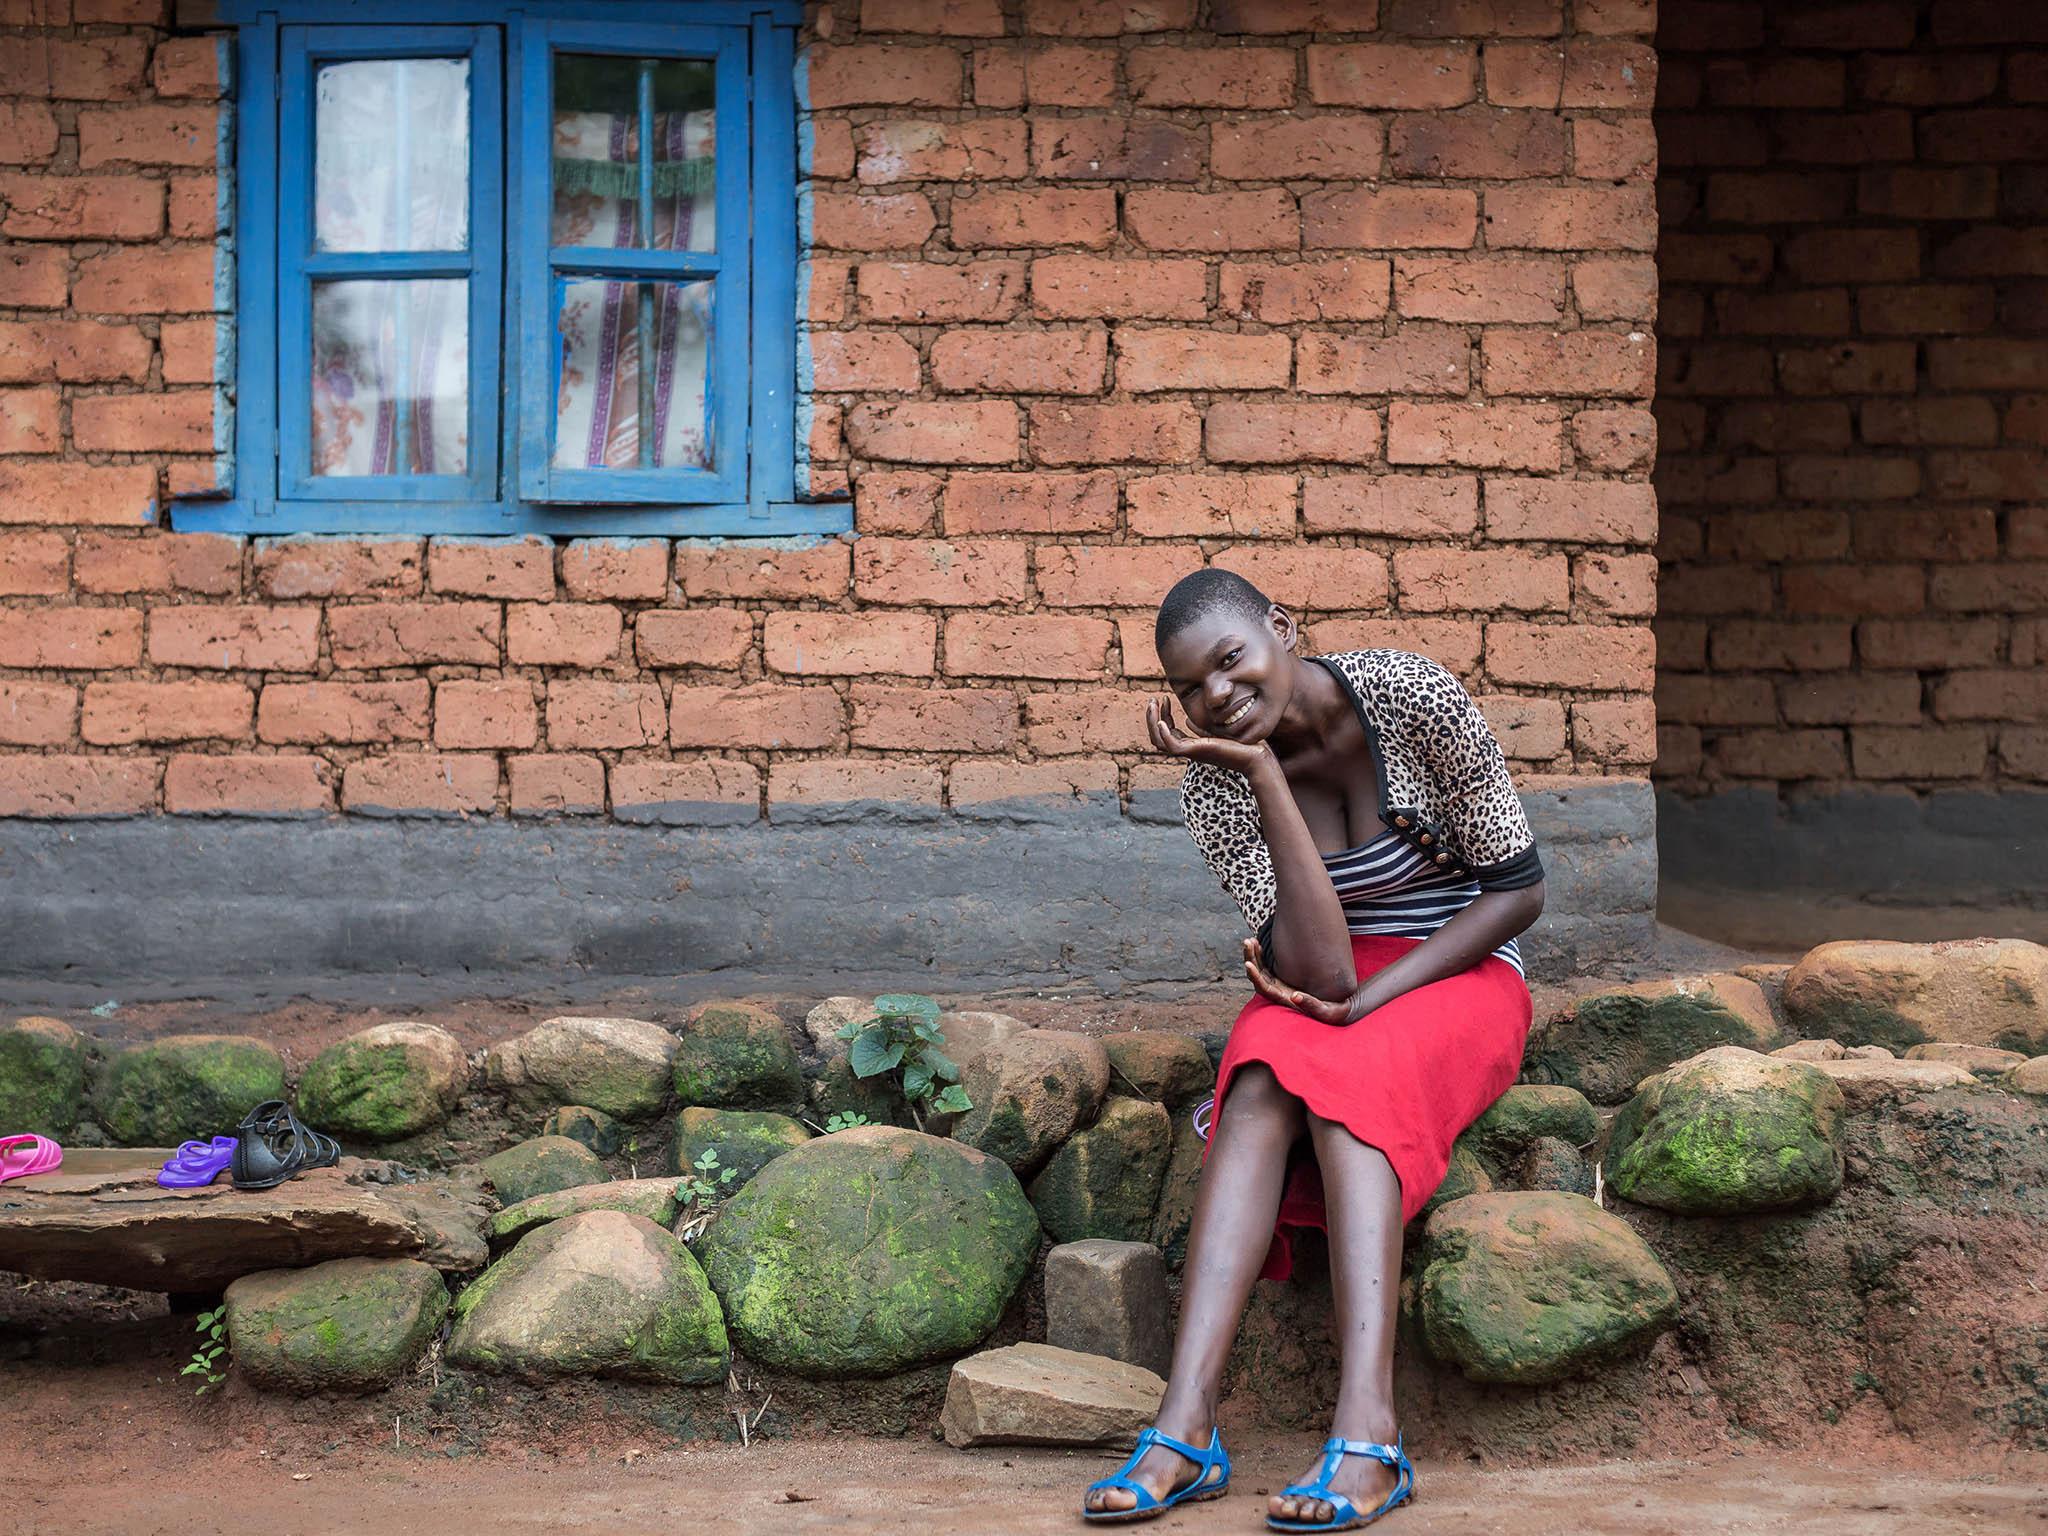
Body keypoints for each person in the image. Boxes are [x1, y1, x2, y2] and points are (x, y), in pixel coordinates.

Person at [1081, 569, 1545, 1532]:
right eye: (1190, 687)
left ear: (1280, 628)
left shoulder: (1412, 696)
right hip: (1329, 977)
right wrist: (1258, 774)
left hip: (1458, 967)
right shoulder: (1215, 783)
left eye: (1229, 660)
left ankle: (1371, 1435)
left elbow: (1518, 889)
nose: (1215, 696)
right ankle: (1185, 1424)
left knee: (1352, 1080)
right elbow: (1323, 976)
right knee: (1257, 1077)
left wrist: (1379, 998)